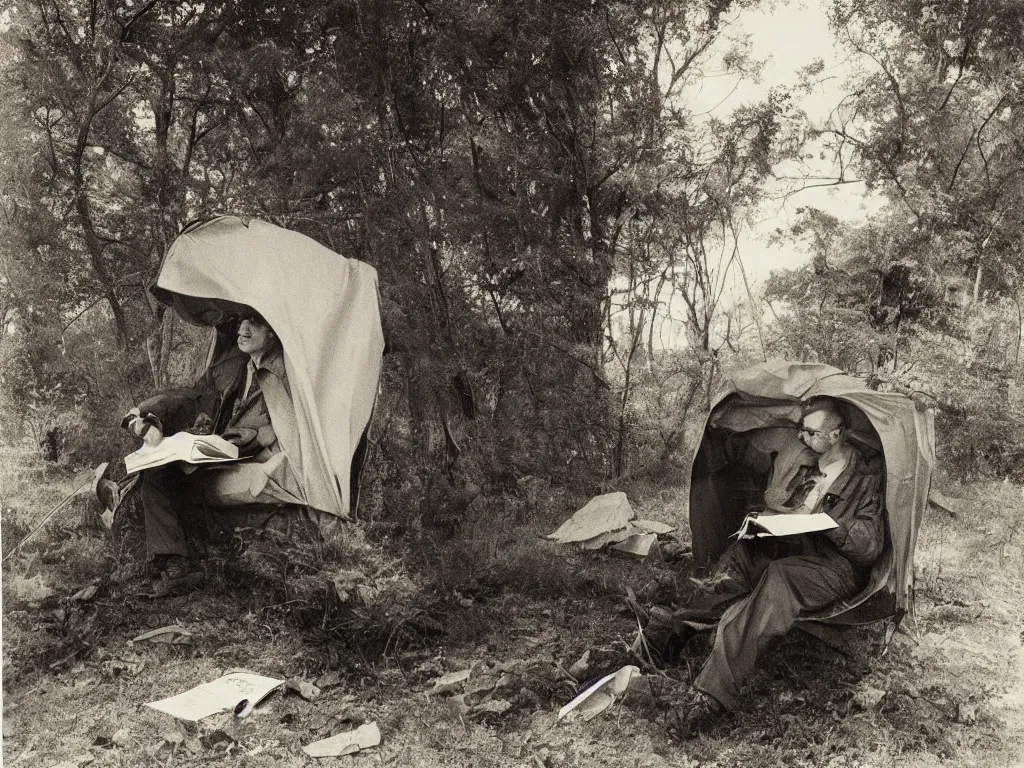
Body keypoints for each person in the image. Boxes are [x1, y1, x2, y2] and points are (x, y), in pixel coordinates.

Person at [667, 397, 886, 736]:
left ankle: (711, 693)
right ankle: (670, 634)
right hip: (798, 547)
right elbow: (789, 511)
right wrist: (767, 523)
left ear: (836, 434)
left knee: (780, 577)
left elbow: (868, 546)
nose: (803, 439)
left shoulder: (865, 478)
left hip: (836, 567)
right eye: (802, 431)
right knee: (744, 556)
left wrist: (829, 524)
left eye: (811, 433)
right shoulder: (809, 466)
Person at [123, 308, 305, 597]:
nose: (243, 329)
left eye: (255, 322)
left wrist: (220, 444)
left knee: (167, 475)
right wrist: (148, 412)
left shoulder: (284, 374)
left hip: (248, 453)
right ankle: (174, 564)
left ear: (273, 331)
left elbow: (268, 429)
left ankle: (178, 564)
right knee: (156, 469)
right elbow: (192, 397)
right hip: (217, 450)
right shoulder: (233, 365)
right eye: (242, 321)